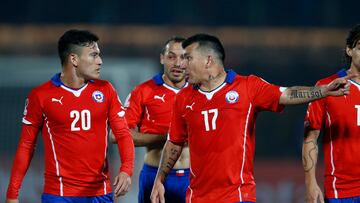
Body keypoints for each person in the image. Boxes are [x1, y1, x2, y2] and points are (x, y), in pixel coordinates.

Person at [149, 33, 354, 203]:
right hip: (196, 197)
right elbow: (174, 142)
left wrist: (323, 91)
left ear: (208, 60)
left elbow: (287, 94)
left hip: (238, 195)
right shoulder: (184, 98)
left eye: (188, 58)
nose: (182, 64)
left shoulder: (247, 87)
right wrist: (160, 179)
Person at [5, 29, 135, 203]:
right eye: (94, 55)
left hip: (100, 193)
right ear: (74, 59)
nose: (100, 61)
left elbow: (123, 133)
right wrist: (12, 194)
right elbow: (27, 145)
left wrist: (126, 170)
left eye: (99, 55)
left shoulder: (106, 90)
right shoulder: (41, 96)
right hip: (59, 195)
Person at [111, 36, 190, 203]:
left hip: (193, 177)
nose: (177, 63)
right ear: (162, 58)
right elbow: (115, 134)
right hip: (153, 174)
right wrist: (167, 137)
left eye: (183, 57)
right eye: (171, 56)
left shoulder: (200, 93)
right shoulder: (143, 91)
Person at [302, 24, 360, 203]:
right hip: (342, 190)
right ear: (349, 50)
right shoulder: (327, 88)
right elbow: (310, 138)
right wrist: (310, 183)